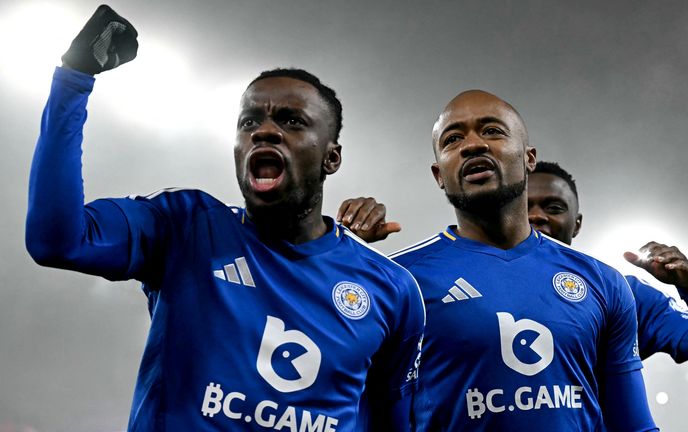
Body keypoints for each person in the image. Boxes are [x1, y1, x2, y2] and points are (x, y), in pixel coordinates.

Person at [25, 6, 424, 431]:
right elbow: (57, 240)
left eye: (291, 121)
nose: (264, 131)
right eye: (250, 120)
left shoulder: (390, 289)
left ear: (332, 157)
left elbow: (390, 418)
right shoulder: (185, 226)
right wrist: (73, 79)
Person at [341, 90, 658, 430]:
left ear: (528, 157)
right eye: (453, 139)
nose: (473, 144)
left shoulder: (603, 283)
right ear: (438, 175)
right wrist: (337, 264)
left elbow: (634, 425)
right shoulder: (397, 283)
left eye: (492, 131)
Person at [527, 161, 688, 372]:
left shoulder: (622, 294)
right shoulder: (491, 285)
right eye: (522, 207)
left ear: (577, 224)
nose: (535, 215)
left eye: (554, 207)